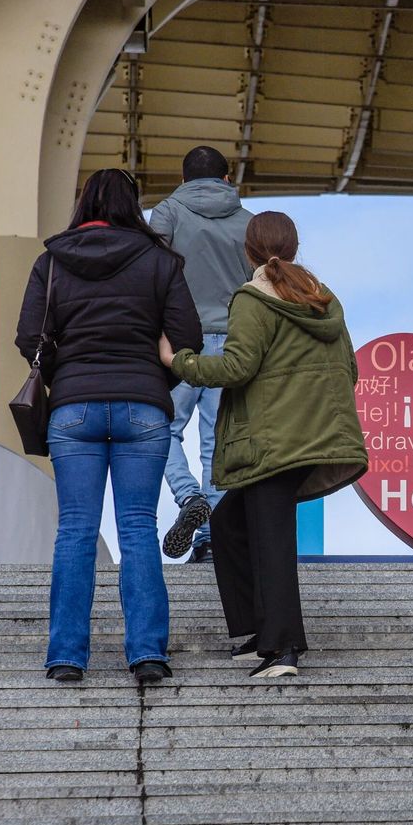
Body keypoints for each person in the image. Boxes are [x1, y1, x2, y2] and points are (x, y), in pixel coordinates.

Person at [160, 211, 366, 679]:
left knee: (270, 540)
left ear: (248, 251)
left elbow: (236, 368)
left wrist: (180, 361)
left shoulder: (253, 298)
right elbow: (348, 369)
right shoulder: (322, 299)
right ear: (294, 247)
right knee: (230, 524)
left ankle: (283, 648)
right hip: (313, 435)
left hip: (274, 439)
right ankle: (261, 631)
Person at [15, 168, 202, 685]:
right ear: (133, 206)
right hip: (143, 406)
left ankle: (67, 657)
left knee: (75, 530)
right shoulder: (161, 261)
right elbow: (187, 335)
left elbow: (29, 336)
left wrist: (68, 374)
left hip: (73, 408)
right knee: (138, 528)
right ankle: (146, 654)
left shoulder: (52, 262)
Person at [149, 145, 253, 563]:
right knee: (218, 441)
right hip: (233, 343)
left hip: (179, 342)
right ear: (228, 179)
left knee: (161, 428)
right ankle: (211, 540)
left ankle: (188, 495)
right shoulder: (249, 223)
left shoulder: (168, 213)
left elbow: (152, 274)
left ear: (183, 179)